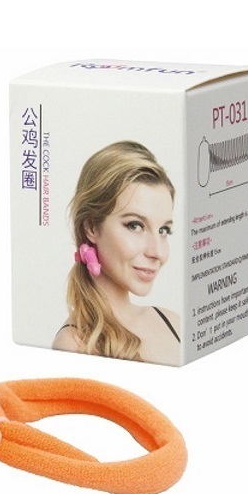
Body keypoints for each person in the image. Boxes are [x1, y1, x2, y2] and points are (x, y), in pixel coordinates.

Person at [52, 141, 180, 365]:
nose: (157, 252)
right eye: (135, 226)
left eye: (163, 230)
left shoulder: (172, 322)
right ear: (91, 227)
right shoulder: (74, 344)